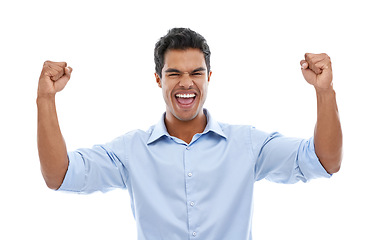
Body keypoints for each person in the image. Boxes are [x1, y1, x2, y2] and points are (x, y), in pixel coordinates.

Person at [37, 28, 342, 239]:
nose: (186, 83)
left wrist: (324, 92)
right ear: (158, 79)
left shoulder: (246, 144)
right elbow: (60, 176)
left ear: (209, 77)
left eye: (196, 73)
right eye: (174, 73)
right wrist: (46, 99)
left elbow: (323, 160)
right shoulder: (132, 150)